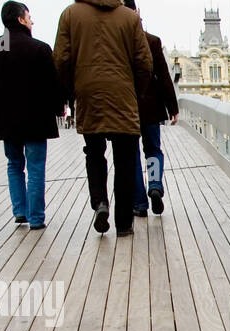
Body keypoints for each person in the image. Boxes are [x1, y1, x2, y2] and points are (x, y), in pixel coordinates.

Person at [53, 0, 152, 237]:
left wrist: (73, 89)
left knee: (94, 153)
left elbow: (60, 59)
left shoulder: (70, 15)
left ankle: (100, 203)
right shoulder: (129, 17)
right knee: (126, 159)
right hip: (123, 93)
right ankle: (124, 224)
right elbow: (144, 62)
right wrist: (134, 91)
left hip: (89, 94)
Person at [0, 2, 65, 230]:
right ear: (20, 19)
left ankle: (20, 212)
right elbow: (53, 85)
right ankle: (36, 217)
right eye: (29, 17)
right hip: (37, 120)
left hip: (7, 120)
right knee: (36, 166)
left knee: (14, 164)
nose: (31, 21)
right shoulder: (40, 48)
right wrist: (59, 108)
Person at [122, 0, 178, 217]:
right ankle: (154, 184)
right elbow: (164, 76)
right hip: (151, 107)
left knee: (132, 154)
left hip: (126, 108)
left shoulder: (117, 43)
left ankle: (139, 203)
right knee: (153, 149)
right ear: (137, 12)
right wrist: (172, 106)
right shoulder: (152, 41)